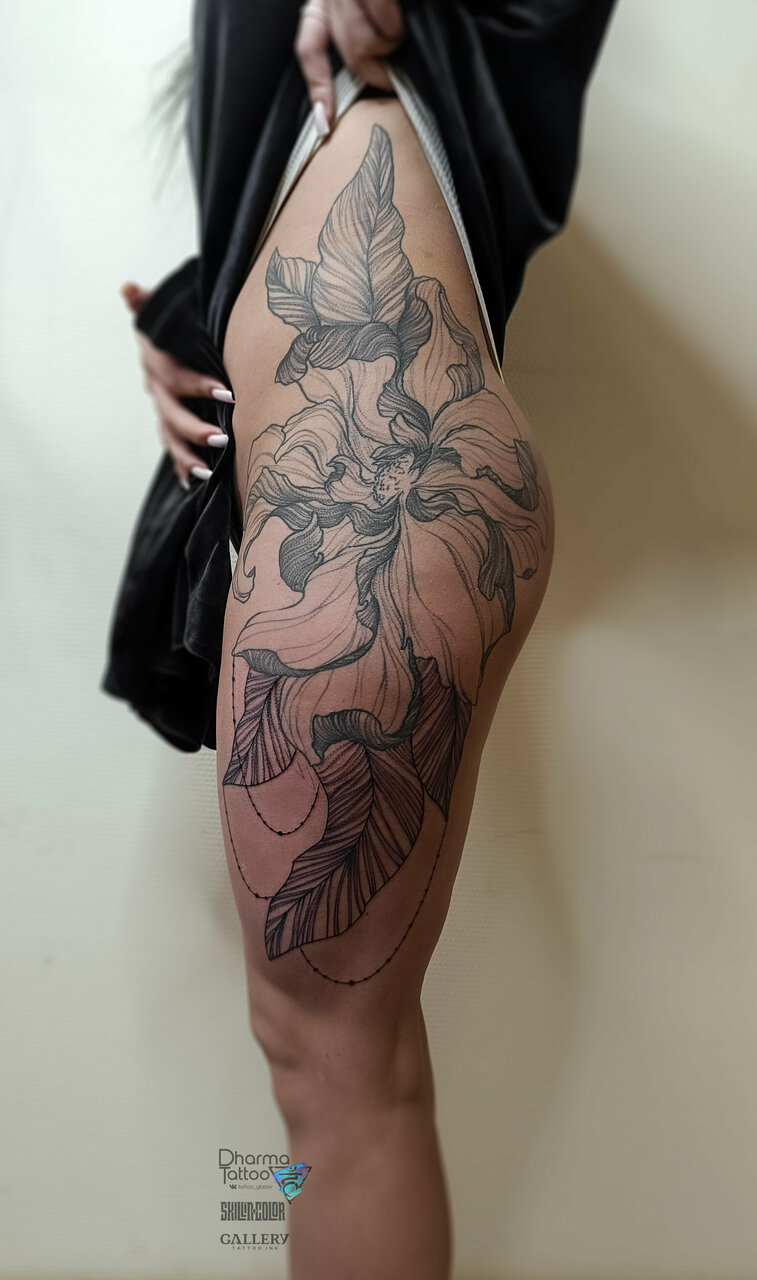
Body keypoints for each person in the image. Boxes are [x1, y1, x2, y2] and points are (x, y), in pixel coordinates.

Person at [104, 3, 617, 1277]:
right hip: (368, 476)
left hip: (383, 491)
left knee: (335, 1074)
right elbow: (293, 169)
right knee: (341, 1070)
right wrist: (192, 322)